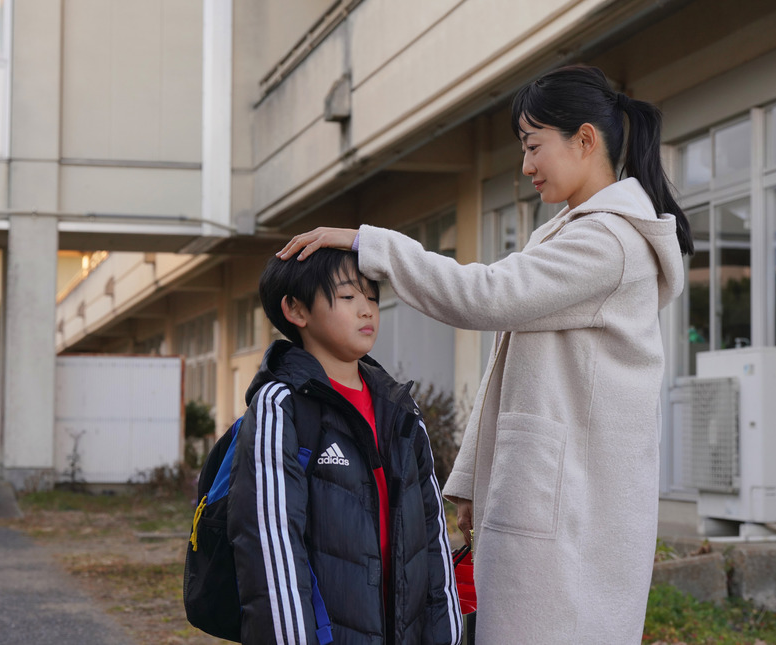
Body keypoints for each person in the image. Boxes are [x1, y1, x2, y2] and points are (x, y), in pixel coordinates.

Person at [276, 65, 693, 644]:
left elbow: (487, 296)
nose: (526, 166)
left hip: (571, 508)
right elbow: (510, 369)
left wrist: (371, 245)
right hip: (551, 495)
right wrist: (474, 481)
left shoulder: (609, 242)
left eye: (532, 146)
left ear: (585, 140)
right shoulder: (577, 232)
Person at [228, 249, 463, 645]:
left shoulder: (400, 409)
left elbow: (434, 536)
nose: (367, 310)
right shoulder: (282, 406)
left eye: (371, 297)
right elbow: (270, 548)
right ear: (296, 310)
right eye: (348, 297)